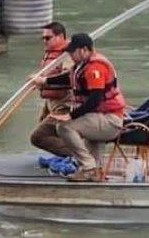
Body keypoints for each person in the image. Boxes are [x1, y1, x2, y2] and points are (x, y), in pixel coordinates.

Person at [33, 33, 127, 182]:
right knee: (92, 152)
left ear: (83, 50)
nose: (70, 56)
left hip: (110, 121)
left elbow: (95, 99)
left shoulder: (95, 68)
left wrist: (70, 116)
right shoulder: (82, 65)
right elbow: (67, 78)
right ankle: (95, 173)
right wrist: (44, 81)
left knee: (64, 127)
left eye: (72, 52)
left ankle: (89, 168)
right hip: (98, 118)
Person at [29, 21, 74, 157]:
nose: (44, 41)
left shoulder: (68, 55)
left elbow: (69, 78)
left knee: (38, 137)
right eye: (43, 38)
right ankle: (73, 155)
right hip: (51, 104)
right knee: (44, 130)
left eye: (48, 38)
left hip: (65, 106)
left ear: (60, 37)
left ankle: (79, 156)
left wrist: (44, 82)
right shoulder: (50, 54)